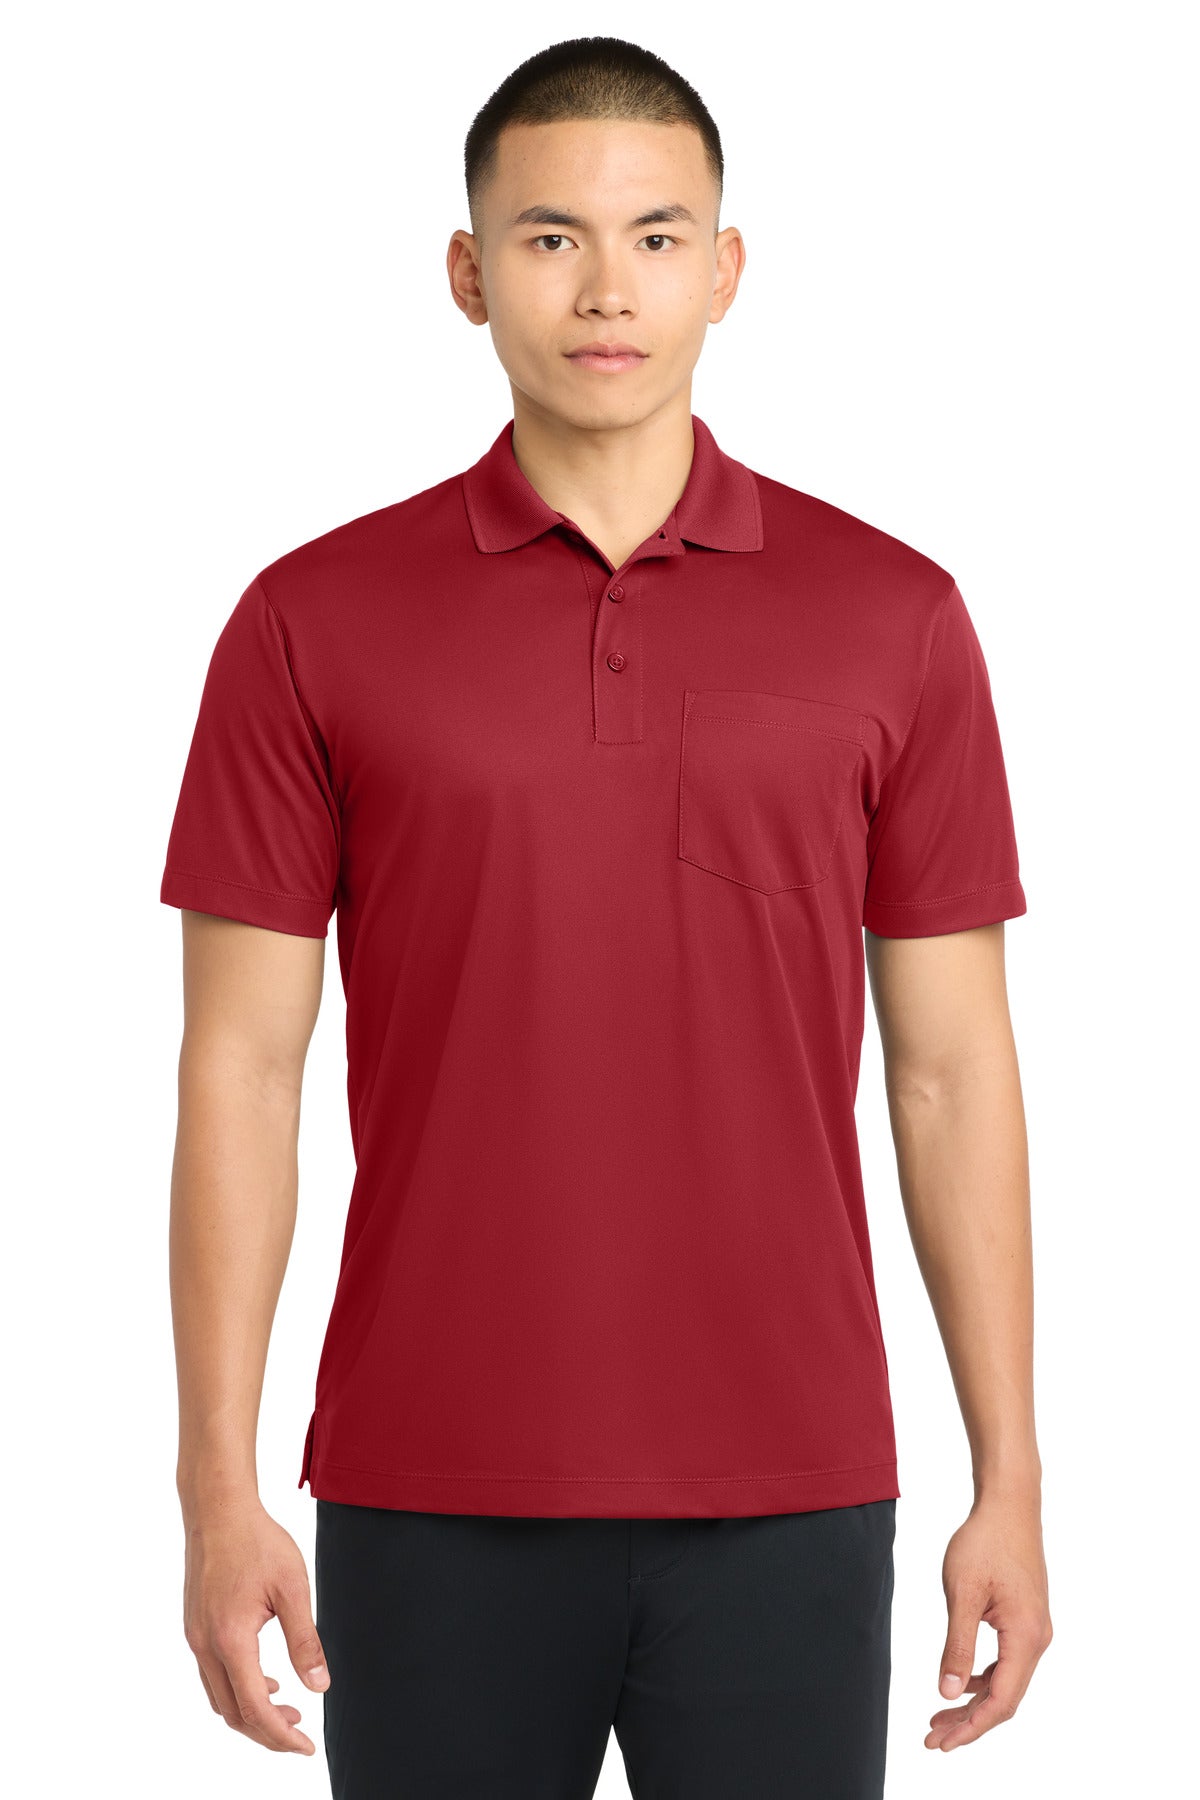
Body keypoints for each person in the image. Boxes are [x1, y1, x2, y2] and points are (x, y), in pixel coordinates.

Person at [162, 33, 1052, 1800]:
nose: (605, 288)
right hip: (427, 1481)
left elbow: (952, 1074)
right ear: (468, 271)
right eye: (551, 236)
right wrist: (215, 1485)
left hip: (793, 1485)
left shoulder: (897, 616)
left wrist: (1009, 1477)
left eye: (657, 236)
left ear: (726, 270)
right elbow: (239, 1073)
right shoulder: (308, 619)